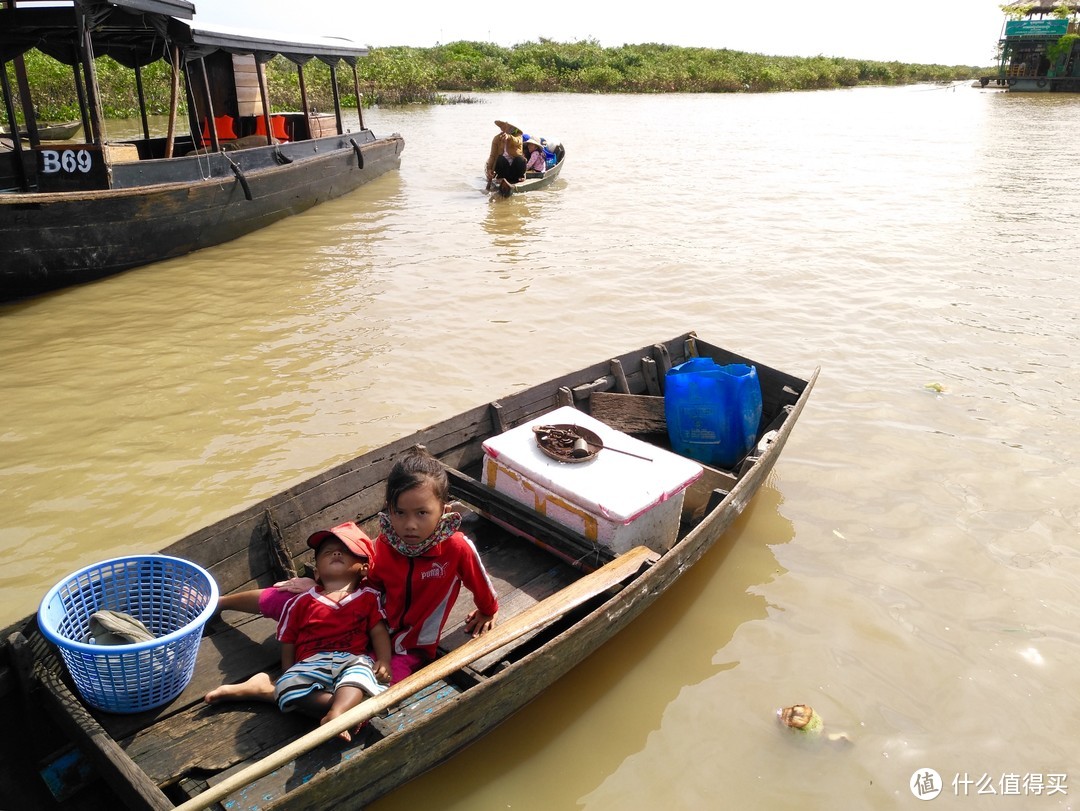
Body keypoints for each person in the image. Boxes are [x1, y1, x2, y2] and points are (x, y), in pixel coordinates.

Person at [368, 445, 499, 683]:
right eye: (400, 513)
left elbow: (479, 582)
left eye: (421, 513)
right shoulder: (385, 543)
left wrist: (488, 610)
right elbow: (373, 584)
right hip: (376, 632)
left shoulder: (456, 548)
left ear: (443, 510)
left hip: (413, 646)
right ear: (389, 509)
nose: (410, 525)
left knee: (378, 687)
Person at [274, 529, 392, 741]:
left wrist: (384, 660)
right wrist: (288, 670)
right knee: (285, 685)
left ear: (364, 569)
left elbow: (378, 631)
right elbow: (288, 640)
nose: (336, 554)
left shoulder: (368, 597)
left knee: (361, 676)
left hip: (351, 659)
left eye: (344, 553)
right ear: (317, 573)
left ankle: (335, 715)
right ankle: (342, 711)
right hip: (310, 662)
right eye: (328, 553)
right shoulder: (300, 602)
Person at [485, 119, 526, 195]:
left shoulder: (518, 136)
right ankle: (501, 178)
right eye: (504, 126)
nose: (506, 128)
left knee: (520, 159)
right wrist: (489, 169)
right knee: (500, 159)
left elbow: (517, 141)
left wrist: (509, 137)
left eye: (510, 127)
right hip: (504, 170)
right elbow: (492, 155)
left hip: (515, 169)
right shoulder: (497, 139)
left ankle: (520, 177)